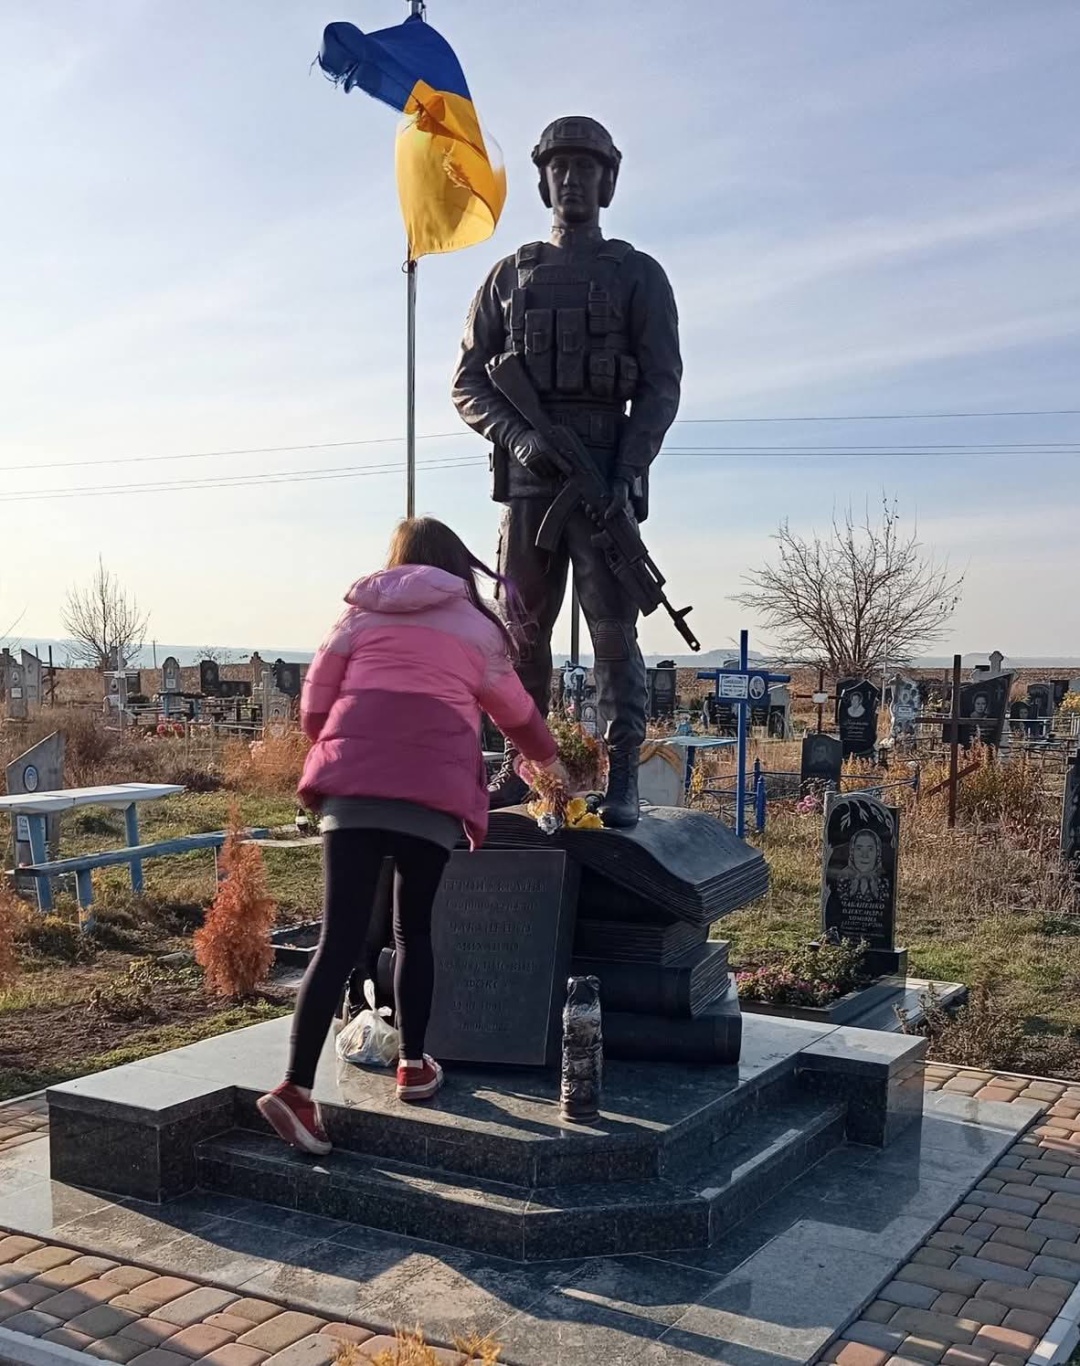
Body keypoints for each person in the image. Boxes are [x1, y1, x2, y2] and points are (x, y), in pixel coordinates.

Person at [257, 518, 568, 1155]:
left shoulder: (356, 616)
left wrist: (350, 747)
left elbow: (314, 708)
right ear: (456, 564)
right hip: (431, 788)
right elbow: (516, 713)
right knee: (414, 930)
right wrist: (550, 762)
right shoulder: (476, 627)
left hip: (351, 787)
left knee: (337, 938)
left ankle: (294, 1088)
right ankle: (413, 1066)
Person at [452, 115, 682, 828]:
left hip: (604, 477)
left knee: (613, 633)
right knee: (521, 634)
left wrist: (626, 468)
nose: (573, 179)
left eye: (587, 168)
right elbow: (469, 382)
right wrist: (518, 436)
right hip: (531, 485)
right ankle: (524, 770)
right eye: (561, 167)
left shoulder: (638, 275)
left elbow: (661, 386)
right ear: (544, 180)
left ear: (607, 182)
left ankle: (623, 778)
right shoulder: (506, 277)